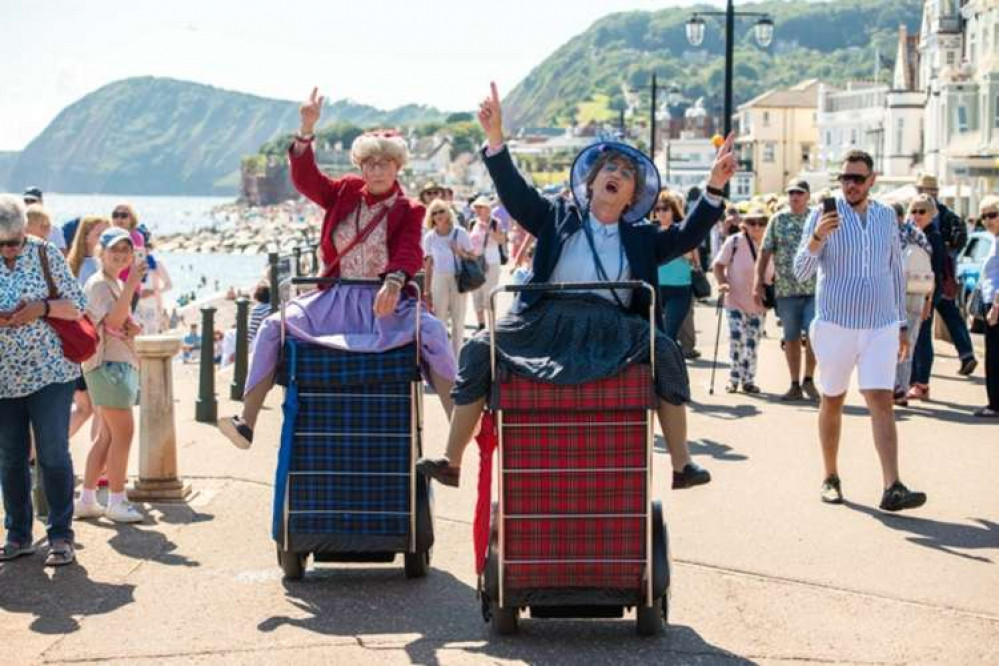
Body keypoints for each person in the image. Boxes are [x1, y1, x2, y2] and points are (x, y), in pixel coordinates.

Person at [416, 82, 737, 490]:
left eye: (625, 175)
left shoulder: (642, 236)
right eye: (610, 169)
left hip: (614, 326)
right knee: (481, 346)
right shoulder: (557, 218)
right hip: (546, 321)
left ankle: (682, 463)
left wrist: (713, 187)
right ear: (592, 180)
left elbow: (688, 236)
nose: (616, 176)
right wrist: (495, 138)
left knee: (668, 350)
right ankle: (452, 460)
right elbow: (515, 195)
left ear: (632, 197)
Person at [218, 88, 456, 449]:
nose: (376, 170)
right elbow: (307, 181)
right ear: (360, 166)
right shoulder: (344, 191)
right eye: (370, 163)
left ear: (398, 167)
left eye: (385, 163)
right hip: (336, 298)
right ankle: (247, 422)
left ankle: (457, 433)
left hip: (382, 302)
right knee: (270, 326)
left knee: (435, 334)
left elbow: (409, 249)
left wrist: (394, 282)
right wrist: (306, 129)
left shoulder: (409, 209)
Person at [794, 150, 926, 512]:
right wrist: (817, 238)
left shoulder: (886, 216)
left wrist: (901, 324)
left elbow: (895, 272)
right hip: (836, 323)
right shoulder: (824, 214)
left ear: (872, 180)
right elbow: (801, 270)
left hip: (881, 324)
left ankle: (892, 485)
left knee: (881, 400)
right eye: (845, 178)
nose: (850, 185)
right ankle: (831, 476)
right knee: (833, 399)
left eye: (857, 178)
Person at [0, 195, 86, 566]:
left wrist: (41, 308)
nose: (8, 249)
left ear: (23, 232)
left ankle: (61, 535)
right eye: (0, 243)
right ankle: (18, 533)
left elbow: (77, 304)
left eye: (13, 241)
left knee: (52, 451)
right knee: (10, 457)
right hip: (4, 377)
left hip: (51, 371)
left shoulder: (45, 253)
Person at [74, 227, 146, 524]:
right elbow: (114, 319)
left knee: (106, 436)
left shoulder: (110, 283)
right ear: (100, 253)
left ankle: (88, 499)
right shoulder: (101, 284)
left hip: (109, 364)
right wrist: (132, 284)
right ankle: (117, 500)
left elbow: (117, 323)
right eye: (114, 249)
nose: (120, 254)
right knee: (123, 433)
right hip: (109, 366)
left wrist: (133, 326)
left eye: (126, 249)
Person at [756, 178, 819, 401]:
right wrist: (758, 283)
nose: (795, 197)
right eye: (791, 193)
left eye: (800, 193)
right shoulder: (778, 219)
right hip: (786, 290)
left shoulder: (817, 218)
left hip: (814, 289)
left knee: (814, 334)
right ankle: (794, 383)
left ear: (808, 196)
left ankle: (809, 379)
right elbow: (765, 253)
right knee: (790, 337)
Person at [713, 206, 774, 394]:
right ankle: (733, 379)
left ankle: (748, 380)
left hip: (759, 302)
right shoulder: (734, 242)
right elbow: (718, 265)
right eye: (751, 222)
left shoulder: (772, 244)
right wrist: (722, 283)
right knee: (736, 339)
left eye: (762, 223)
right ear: (744, 225)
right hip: (734, 301)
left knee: (752, 342)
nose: (756, 226)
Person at [894, 197, 935, 406]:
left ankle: (895, 386)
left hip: (895, 295)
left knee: (890, 343)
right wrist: (928, 300)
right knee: (908, 344)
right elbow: (930, 270)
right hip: (919, 293)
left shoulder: (890, 236)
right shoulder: (918, 234)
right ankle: (901, 387)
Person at [422, 199, 474, 359]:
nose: (438, 215)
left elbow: (473, 257)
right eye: (434, 213)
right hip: (438, 280)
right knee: (439, 321)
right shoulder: (429, 237)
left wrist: (459, 251)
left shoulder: (460, 232)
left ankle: (457, 360)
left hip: (458, 279)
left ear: (448, 212)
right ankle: (442, 359)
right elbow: (428, 265)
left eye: (441, 211)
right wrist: (426, 290)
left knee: (458, 320)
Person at [654, 190, 699, 343]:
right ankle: (662, 364)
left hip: (679, 288)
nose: (661, 213)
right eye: (657, 209)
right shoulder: (651, 232)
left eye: (665, 209)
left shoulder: (681, 230)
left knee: (669, 333)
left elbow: (690, 257)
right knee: (655, 334)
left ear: (673, 210)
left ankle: (670, 364)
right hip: (656, 288)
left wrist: (670, 244)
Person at [973, 196, 999, 417]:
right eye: (984, 216)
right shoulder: (994, 240)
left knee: (994, 356)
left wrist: (996, 307)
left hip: (996, 304)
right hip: (991, 302)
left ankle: (995, 404)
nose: (987, 220)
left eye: (992, 215)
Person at [468, 195, 507, 330]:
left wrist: (490, 232)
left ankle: (491, 326)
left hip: (491, 263)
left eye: (481, 207)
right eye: (476, 207)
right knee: (476, 294)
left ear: (487, 209)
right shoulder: (472, 223)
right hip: (476, 262)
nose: (478, 210)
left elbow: (502, 240)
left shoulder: (495, 222)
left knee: (489, 293)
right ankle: (481, 324)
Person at [247, 282, 271, 347]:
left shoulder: (257, 309)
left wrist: (244, 345)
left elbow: (252, 331)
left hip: (261, 342)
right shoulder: (276, 306)